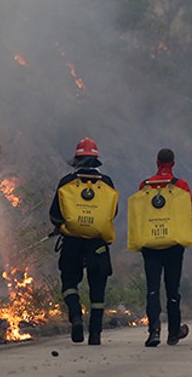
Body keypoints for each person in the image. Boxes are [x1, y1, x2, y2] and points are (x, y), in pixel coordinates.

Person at [49, 137, 118, 345]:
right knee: (98, 288)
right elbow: (112, 212)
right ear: (96, 161)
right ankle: (95, 334)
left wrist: (62, 225)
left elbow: (54, 214)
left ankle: (76, 317)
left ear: (76, 160)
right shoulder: (106, 184)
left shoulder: (66, 183)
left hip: (72, 242)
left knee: (69, 282)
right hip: (97, 244)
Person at [138, 148, 192, 346]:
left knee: (152, 289)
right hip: (173, 245)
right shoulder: (181, 186)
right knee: (173, 289)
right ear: (173, 163)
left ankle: (153, 332)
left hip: (151, 245)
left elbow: (140, 213)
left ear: (157, 162)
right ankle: (173, 333)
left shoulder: (145, 186)